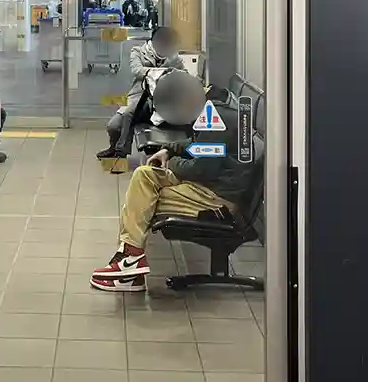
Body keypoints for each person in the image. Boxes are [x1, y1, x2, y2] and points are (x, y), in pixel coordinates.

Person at [90, 99, 250, 292]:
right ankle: (131, 261)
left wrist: (172, 163)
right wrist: (169, 149)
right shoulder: (214, 111)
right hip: (206, 187)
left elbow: (201, 169)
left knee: (142, 201)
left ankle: (130, 262)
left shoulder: (218, 119)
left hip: (215, 200)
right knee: (144, 176)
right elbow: (197, 145)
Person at [99, 26, 182, 160]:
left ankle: (122, 153)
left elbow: (183, 74)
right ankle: (114, 147)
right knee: (113, 126)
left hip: (163, 101)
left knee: (131, 115)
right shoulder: (138, 51)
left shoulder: (174, 57)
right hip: (140, 97)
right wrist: (157, 72)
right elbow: (137, 70)